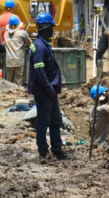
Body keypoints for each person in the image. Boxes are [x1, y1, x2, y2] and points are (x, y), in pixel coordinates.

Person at [25, 12, 66, 160]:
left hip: (50, 90)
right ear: (47, 28)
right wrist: (49, 90)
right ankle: (43, 150)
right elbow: (40, 72)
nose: (53, 31)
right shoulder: (40, 47)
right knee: (44, 121)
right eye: (51, 28)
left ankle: (57, 148)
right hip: (45, 92)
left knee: (55, 119)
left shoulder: (42, 45)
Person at [3, 15, 29, 85]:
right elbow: (30, 44)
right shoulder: (23, 33)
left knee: (9, 82)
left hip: (9, 61)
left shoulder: (6, 34)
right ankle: (17, 94)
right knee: (18, 81)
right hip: (19, 61)